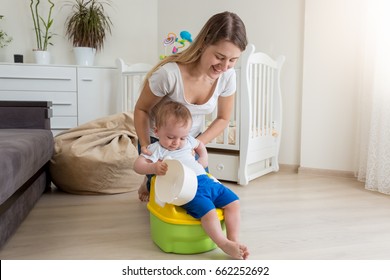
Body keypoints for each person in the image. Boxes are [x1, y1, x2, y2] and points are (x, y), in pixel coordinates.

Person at [134, 11, 248, 202]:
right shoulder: (169, 75)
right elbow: (141, 109)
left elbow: (223, 118)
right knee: (169, 196)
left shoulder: (228, 76)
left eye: (233, 60)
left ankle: (151, 179)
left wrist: (196, 145)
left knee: (200, 191)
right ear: (204, 44)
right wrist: (146, 146)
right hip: (159, 139)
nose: (225, 66)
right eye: (220, 57)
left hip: (190, 141)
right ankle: (148, 179)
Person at [133, 101, 249, 260]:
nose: (176, 142)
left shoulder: (187, 142)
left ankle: (233, 240)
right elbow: (138, 165)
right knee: (208, 212)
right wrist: (153, 168)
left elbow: (200, 145)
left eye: (182, 137)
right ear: (157, 131)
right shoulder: (156, 149)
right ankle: (223, 243)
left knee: (234, 202)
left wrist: (203, 158)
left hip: (206, 181)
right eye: (171, 137)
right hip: (186, 188)